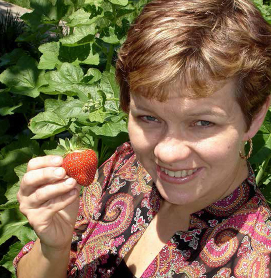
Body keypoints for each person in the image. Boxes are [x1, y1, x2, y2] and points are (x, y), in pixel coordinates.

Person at [14, 0, 271, 277]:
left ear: (254, 117)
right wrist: (54, 248)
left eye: (202, 122)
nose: (167, 153)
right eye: (149, 117)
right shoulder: (124, 167)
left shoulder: (258, 260)